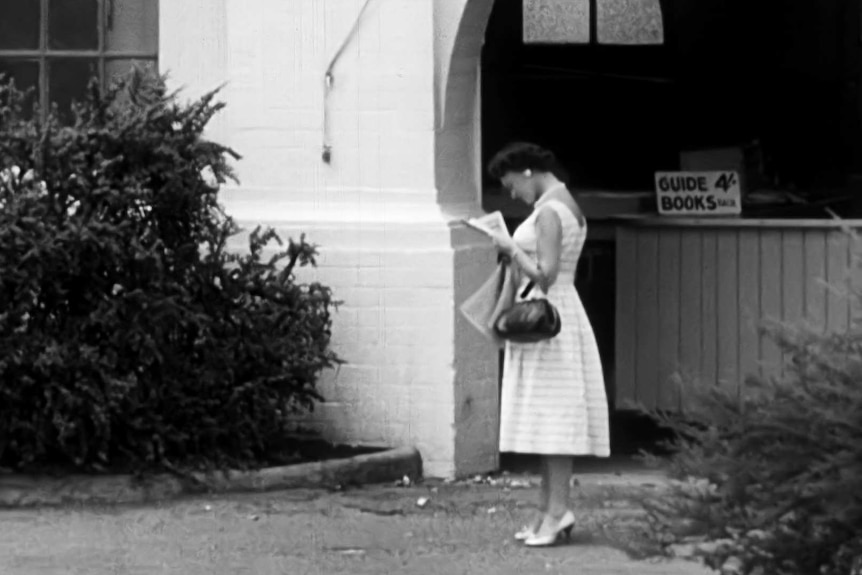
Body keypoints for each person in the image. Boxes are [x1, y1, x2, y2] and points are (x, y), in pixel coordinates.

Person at [485, 142, 610, 547]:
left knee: (553, 419)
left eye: (511, 185)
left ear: (527, 172)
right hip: (556, 317)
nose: (512, 195)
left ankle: (557, 512)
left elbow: (546, 275)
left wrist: (508, 249)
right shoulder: (564, 204)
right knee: (548, 418)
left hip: (546, 318)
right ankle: (547, 511)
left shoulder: (550, 212)